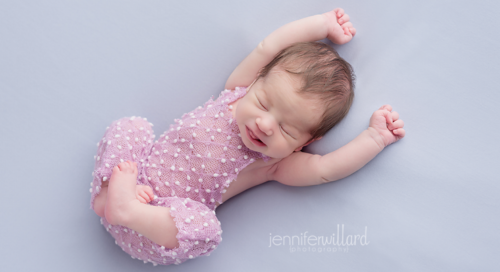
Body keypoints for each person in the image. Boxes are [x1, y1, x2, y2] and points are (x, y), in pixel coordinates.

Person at [88, 8, 405, 266]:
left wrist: (375, 138)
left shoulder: (273, 164)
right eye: (264, 103)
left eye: (286, 129)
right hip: (129, 180)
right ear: (256, 81)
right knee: (130, 127)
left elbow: (325, 169)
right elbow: (268, 47)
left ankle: (129, 211)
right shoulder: (235, 91)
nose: (265, 124)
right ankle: (108, 196)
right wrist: (321, 24)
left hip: (157, 227)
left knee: (207, 230)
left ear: (305, 143)